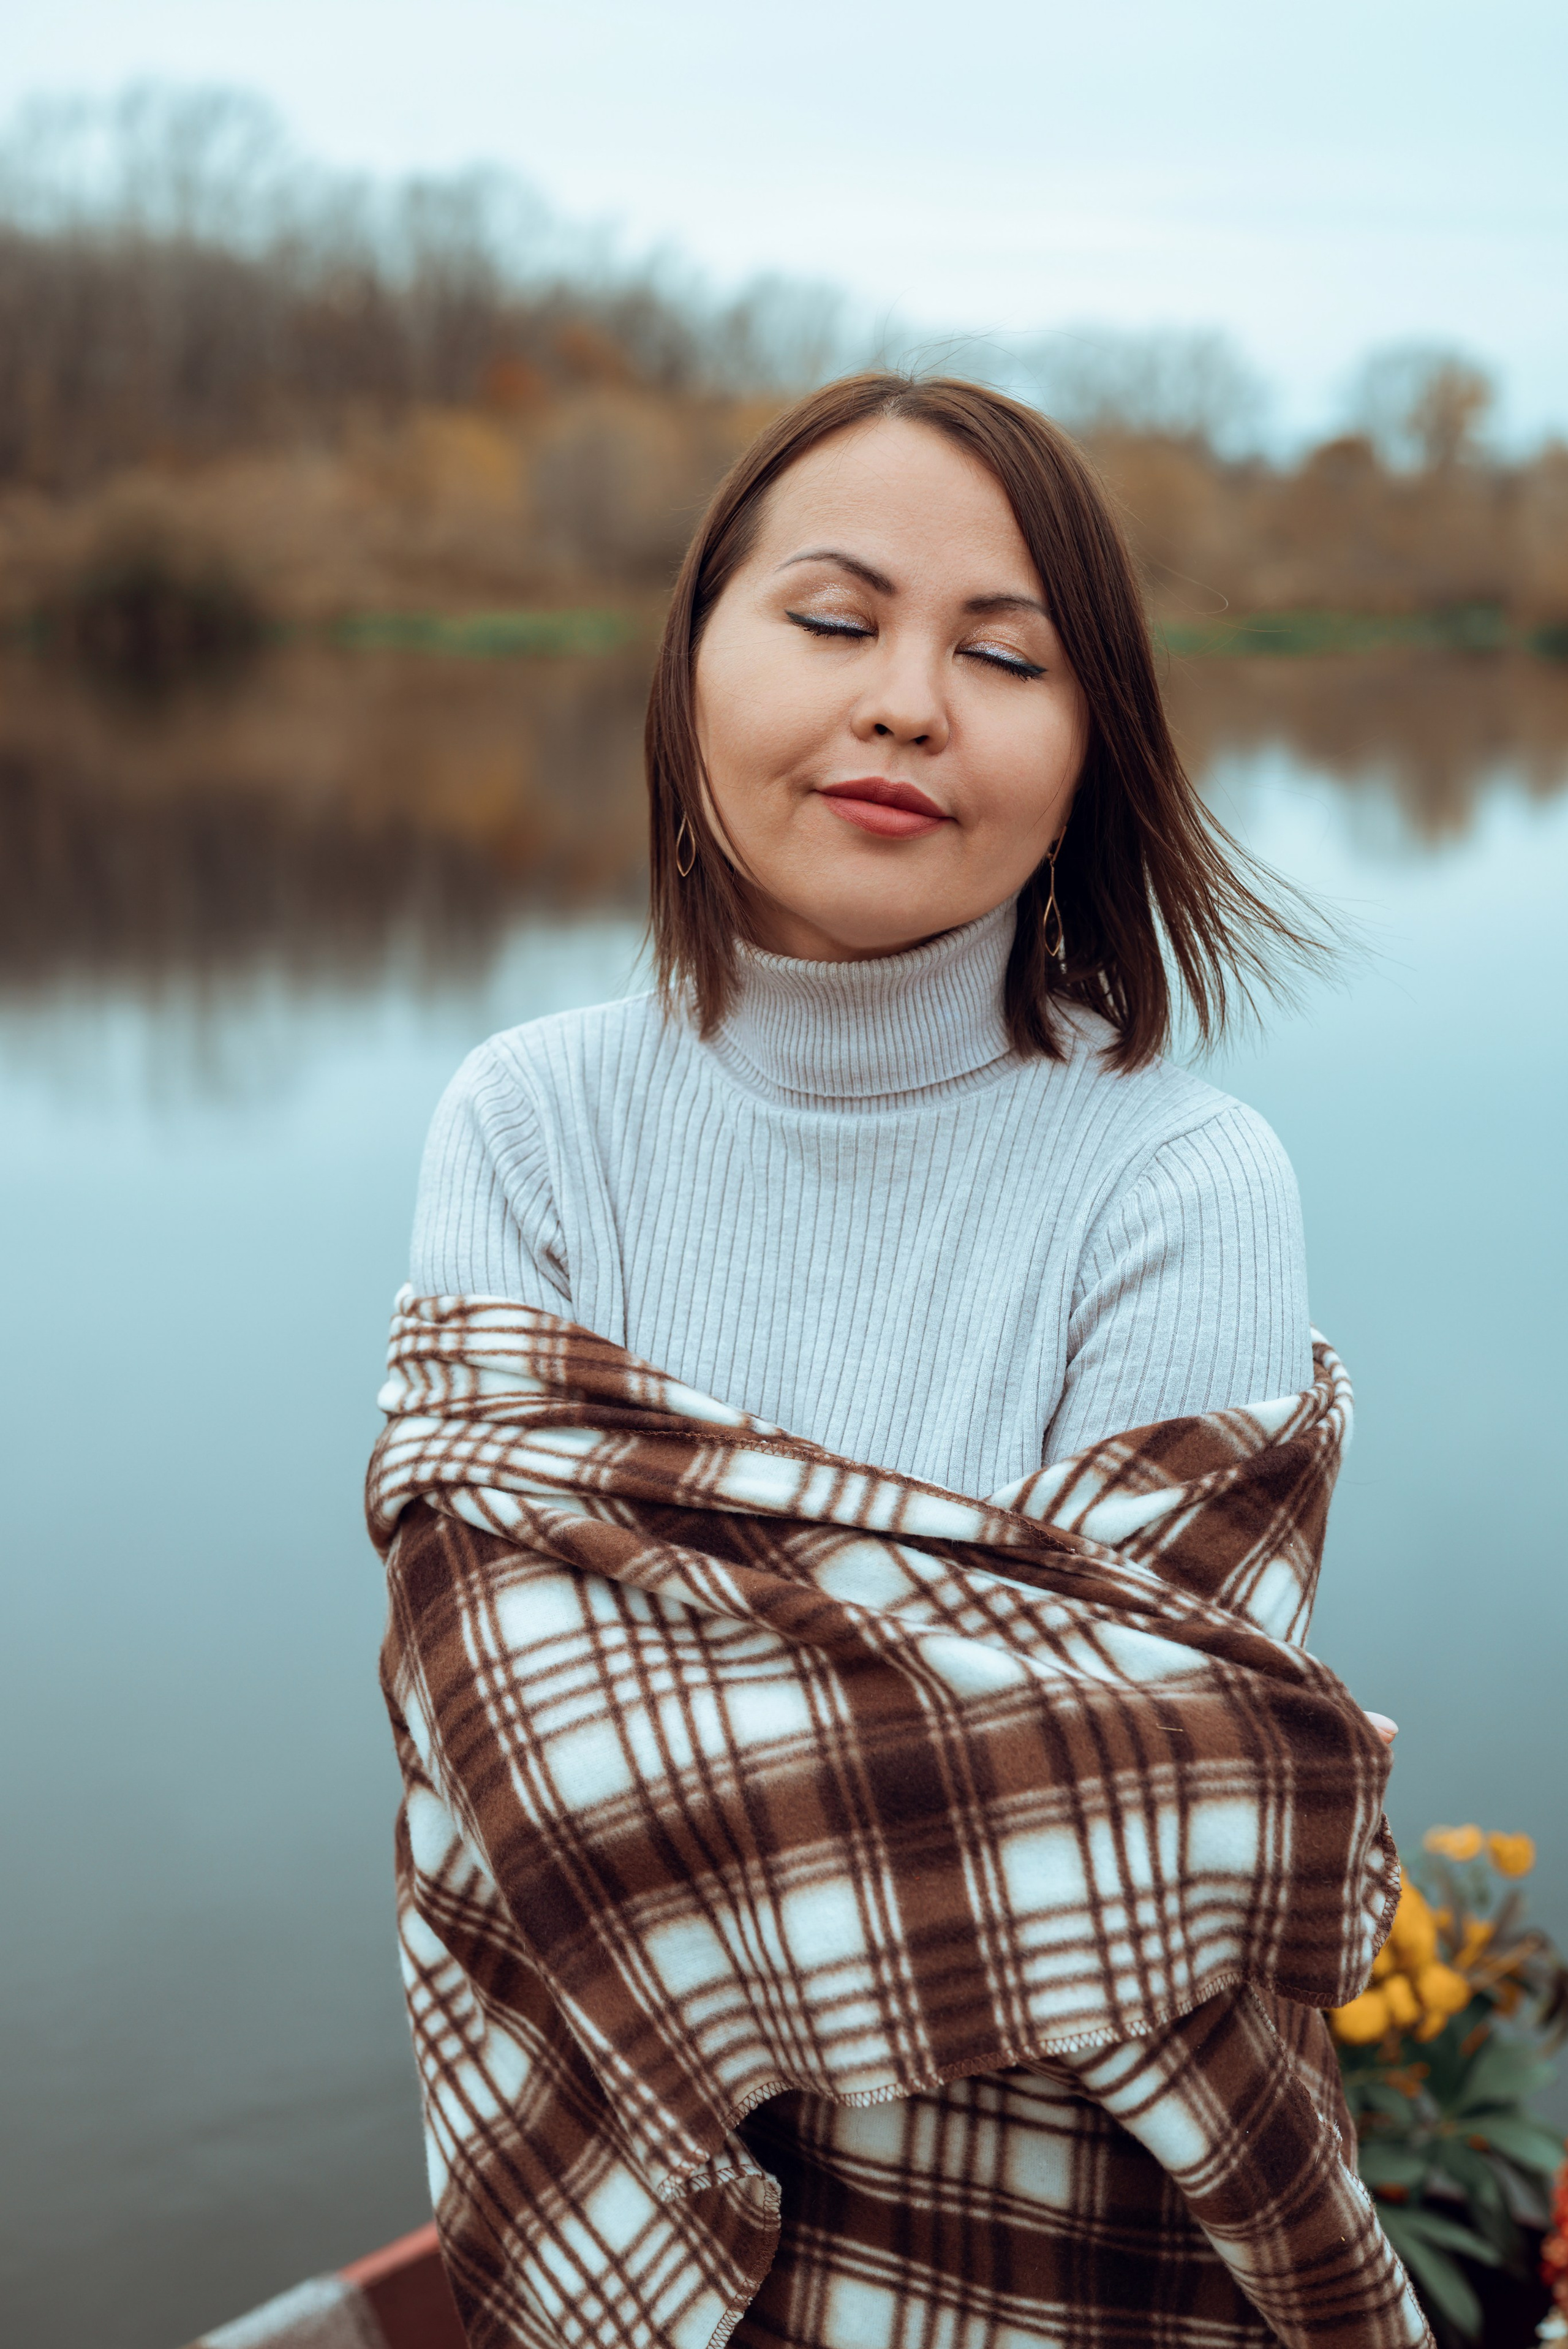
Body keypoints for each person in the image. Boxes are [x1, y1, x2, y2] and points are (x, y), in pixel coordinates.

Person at [386, 374, 1419, 2348]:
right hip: (630, 2223)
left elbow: (1192, 1819)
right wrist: (955, 1758)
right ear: (695, 656)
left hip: (1099, 2266)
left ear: (1090, 742)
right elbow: (520, 1767)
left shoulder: (1177, 1178)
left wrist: (718, 1754)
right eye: (837, 620)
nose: (909, 704)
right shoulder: (530, 1126)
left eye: (1003, 654)